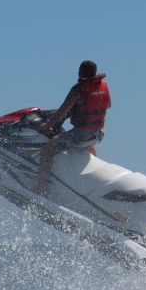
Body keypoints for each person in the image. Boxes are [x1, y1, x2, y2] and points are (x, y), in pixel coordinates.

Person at [35, 60, 112, 195]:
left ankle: (40, 189)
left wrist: (48, 125)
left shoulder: (78, 89)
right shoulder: (103, 86)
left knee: (47, 149)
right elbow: (108, 104)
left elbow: (62, 112)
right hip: (98, 135)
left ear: (81, 72)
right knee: (87, 146)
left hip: (82, 135)